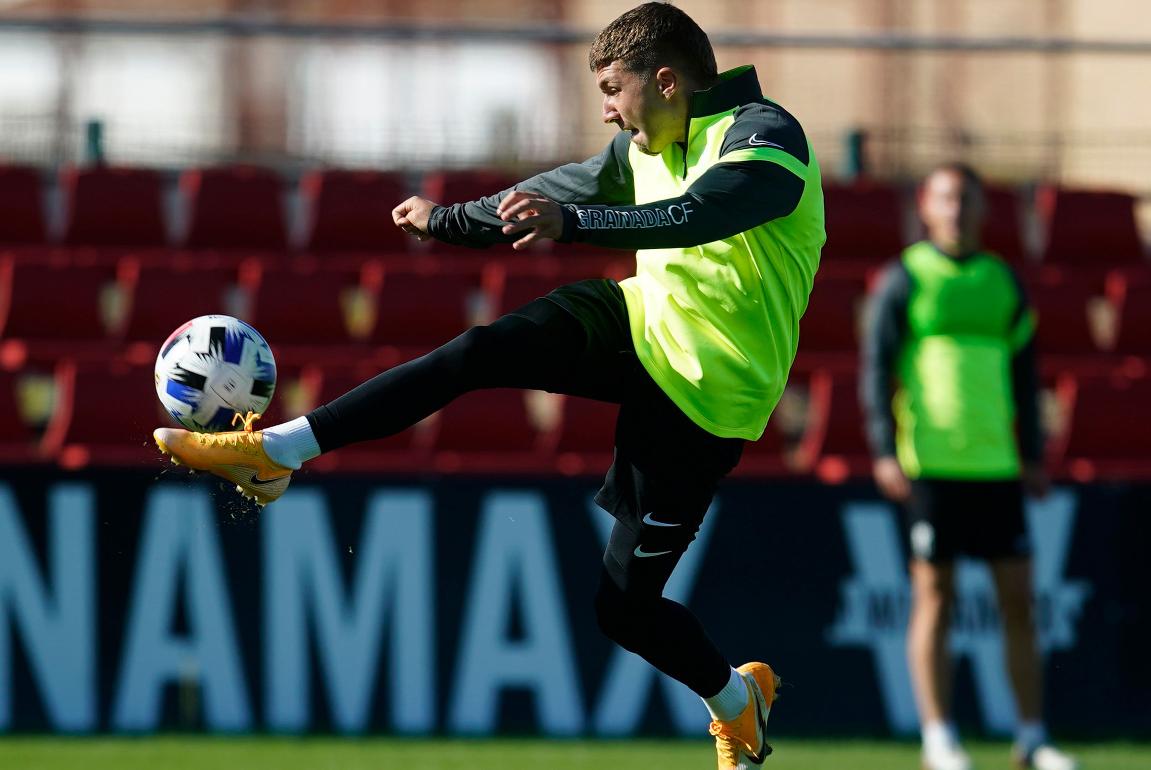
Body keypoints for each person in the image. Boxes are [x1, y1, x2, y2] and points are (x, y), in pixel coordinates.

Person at [153, 3, 824, 766]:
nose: (605, 107)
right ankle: (277, 450)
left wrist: (574, 226)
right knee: (482, 350)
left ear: (665, 80)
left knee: (624, 612)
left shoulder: (768, 135)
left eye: (613, 87)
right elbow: (547, 193)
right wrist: (449, 220)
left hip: (712, 397)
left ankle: (737, 700)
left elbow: (705, 212)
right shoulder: (637, 146)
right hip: (638, 321)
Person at [860, 163, 1077, 770]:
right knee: (935, 595)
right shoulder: (903, 279)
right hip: (930, 464)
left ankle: (1032, 737)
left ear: (982, 211)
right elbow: (876, 370)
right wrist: (883, 449)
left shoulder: (1002, 283)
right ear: (926, 209)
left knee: (1018, 602)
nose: (956, 211)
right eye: (945, 199)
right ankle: (939, 737)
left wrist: (1032, 455)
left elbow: (1025, 377)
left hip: (997, 466)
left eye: (967, 200)